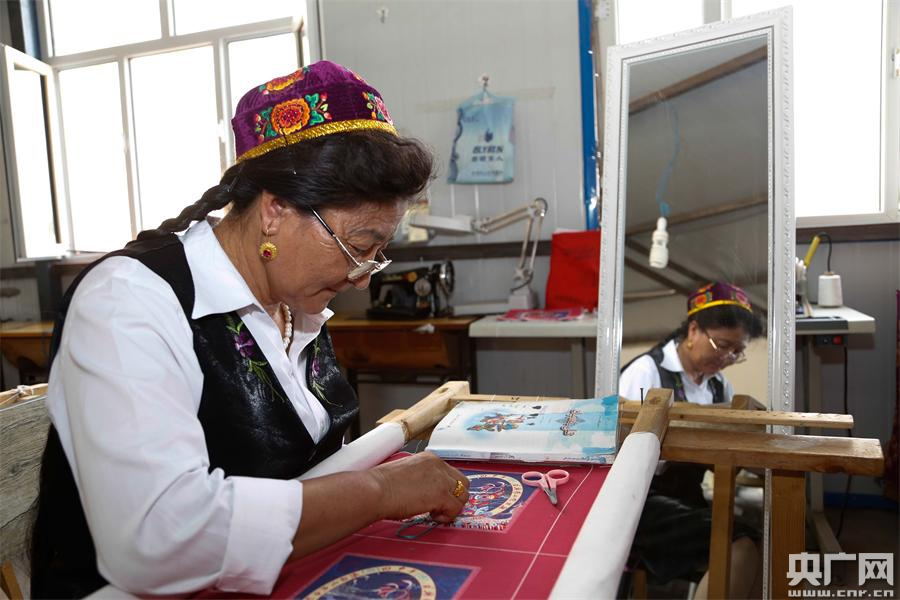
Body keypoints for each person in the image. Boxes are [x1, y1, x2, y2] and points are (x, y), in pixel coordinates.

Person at [30, 61, 470, 598]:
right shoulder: (127, 302)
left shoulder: (293, 298)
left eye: (377, 254)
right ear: (275, 211)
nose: (361, 278)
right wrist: (378, 490)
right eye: (358, 247)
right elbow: (158, 538)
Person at [620, 282, 765, 599]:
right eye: (722, 345)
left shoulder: (718, 386)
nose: (727, 357)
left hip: (686, 498)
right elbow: (623, 456)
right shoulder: (646, 373)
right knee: (741, 544)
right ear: (694, 330)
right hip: (639, 503)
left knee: (754, 542)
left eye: (737, 352)